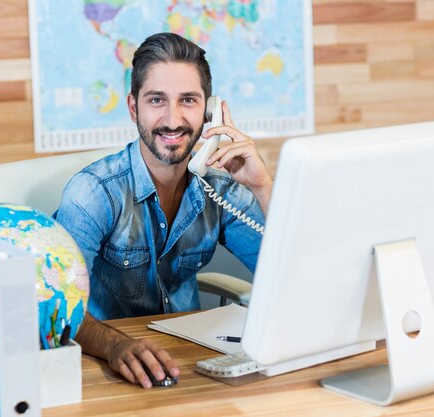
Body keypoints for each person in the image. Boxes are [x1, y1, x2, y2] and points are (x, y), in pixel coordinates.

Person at [54, 32, 274, 389]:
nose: (173, 119)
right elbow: (58, 305)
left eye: (187, 100)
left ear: (209, 109)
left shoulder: (220, 189)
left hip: (190, 360)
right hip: (108, 364)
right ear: (133, 107)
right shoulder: (93, 192)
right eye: (157, 100)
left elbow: (291, 273)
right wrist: (114, 345)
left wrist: (263, 187)